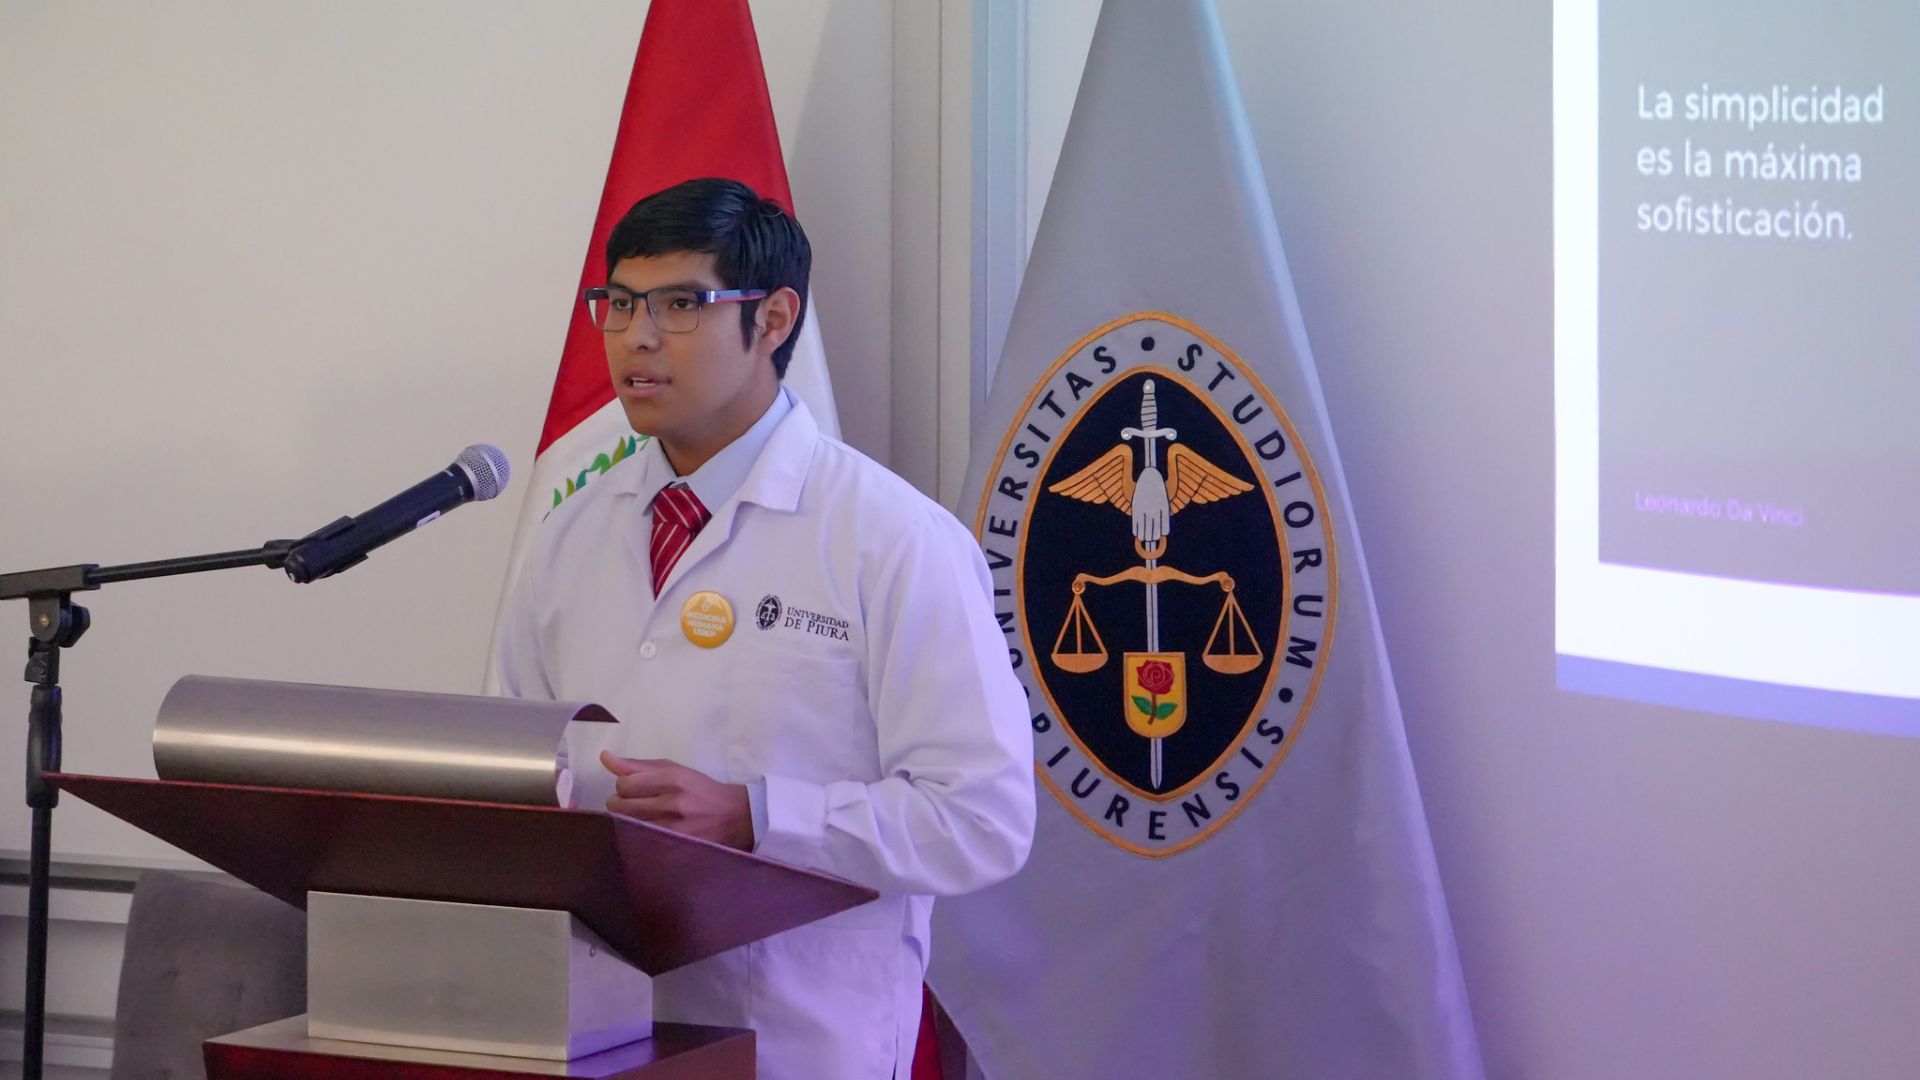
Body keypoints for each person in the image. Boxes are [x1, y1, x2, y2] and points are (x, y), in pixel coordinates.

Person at [494, 177, 1035, 1079]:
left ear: (775, 319)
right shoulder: (570, 534)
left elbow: (981, 817)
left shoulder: (890, 537)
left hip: (798, 1042)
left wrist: (757, 816)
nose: (637, 337)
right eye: (618, 303)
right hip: (593, 1032)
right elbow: (510, 770)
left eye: (680, 305)